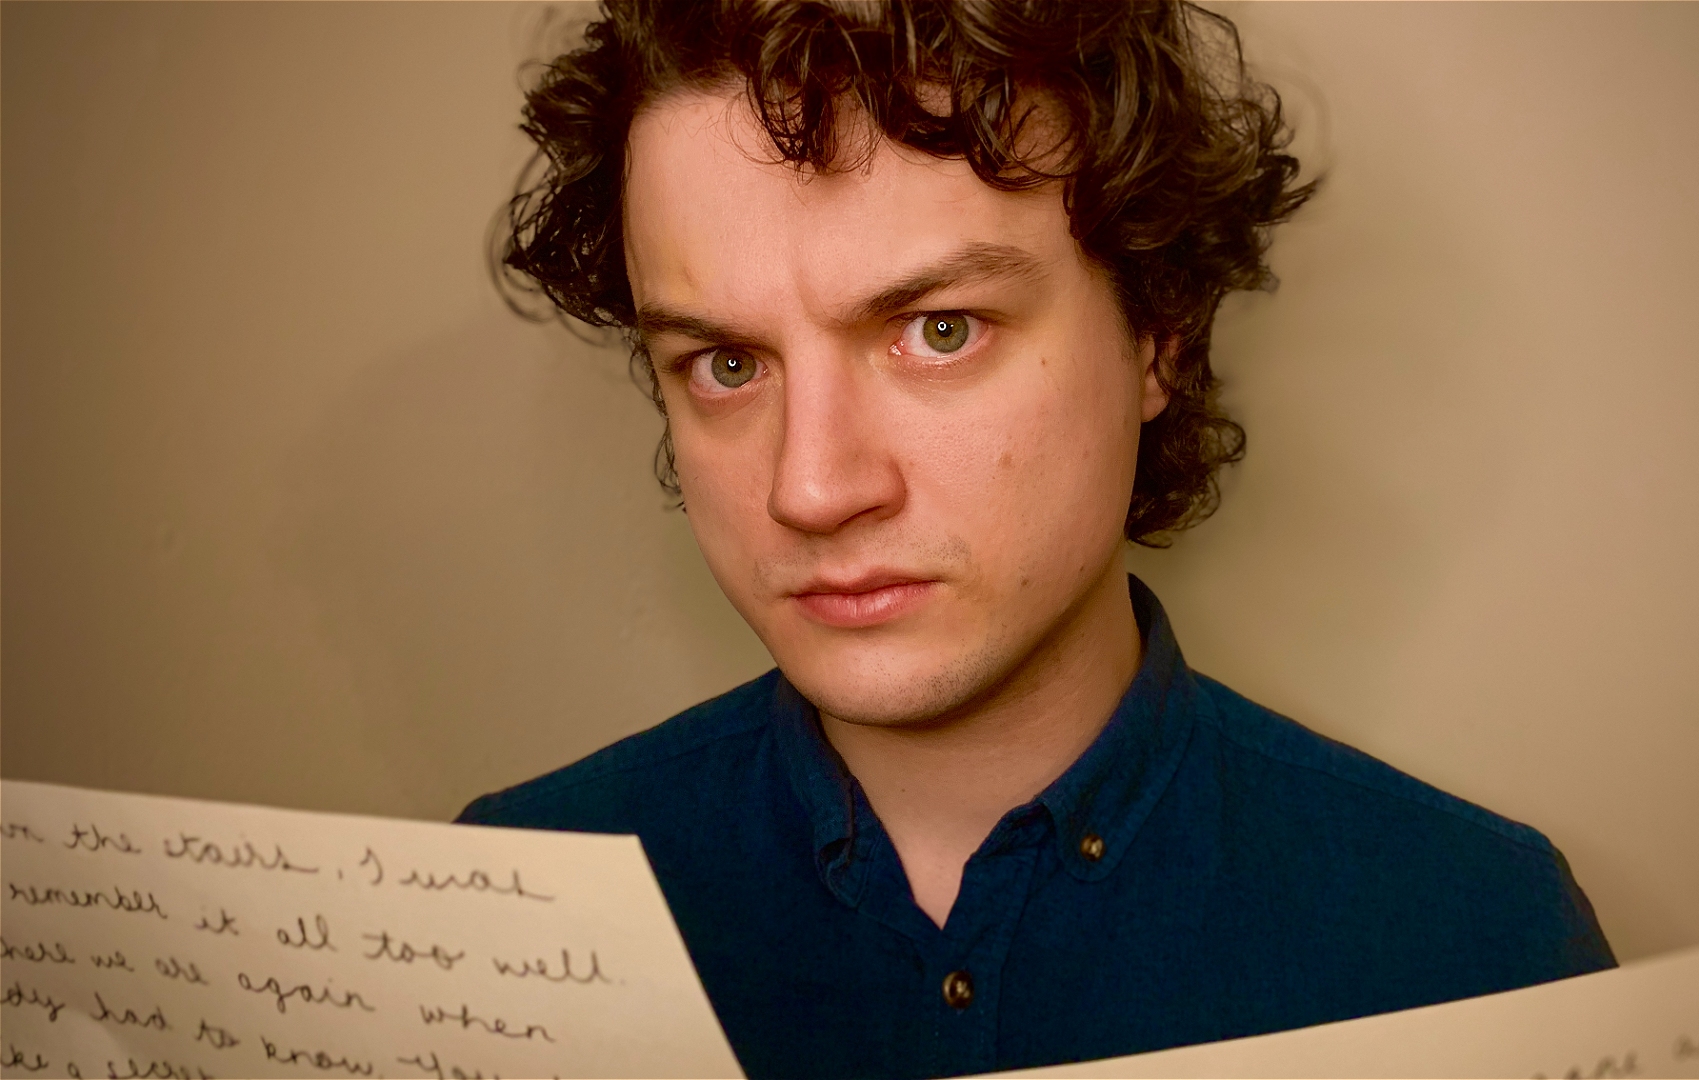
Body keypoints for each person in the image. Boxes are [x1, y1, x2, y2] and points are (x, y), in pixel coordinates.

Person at [458, 2, 1615, 1076]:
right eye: (725, 364)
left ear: (1158, 335)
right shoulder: (498, 923)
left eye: (940, 330)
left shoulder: (1476, 942)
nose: (811, 488)